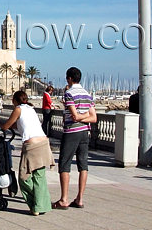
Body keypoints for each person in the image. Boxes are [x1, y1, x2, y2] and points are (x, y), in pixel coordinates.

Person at [0, 91, 53, 215]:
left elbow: (6, 126)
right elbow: (19, 125)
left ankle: (35, 202)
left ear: (14, 100)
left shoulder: (18, 109)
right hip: (44, 143)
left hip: (32, 147)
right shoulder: (31, 109)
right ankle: (40, 206)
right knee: (39, 177)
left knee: (24, 178)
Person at [53, 67, 97, 210]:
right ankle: (80, 198)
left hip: (71, 131)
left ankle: (64, 199)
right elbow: (93, 117)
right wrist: (84, 116)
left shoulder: (69, 94)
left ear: (69, 79)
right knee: (83, 165)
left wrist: (78, 116)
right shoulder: (87, 94)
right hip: (85, 132)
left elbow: (74, 116)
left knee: (64, 164)